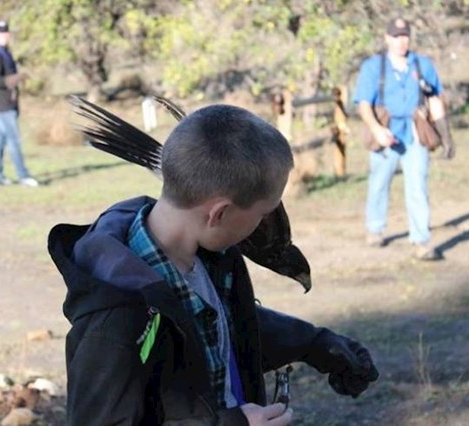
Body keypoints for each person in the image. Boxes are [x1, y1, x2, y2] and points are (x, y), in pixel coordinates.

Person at [48, 104, 379, 425]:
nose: (263, 226)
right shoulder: (115, 320)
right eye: (263, 215)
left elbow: (215, 328)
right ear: (219, 213)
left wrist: (313, 343)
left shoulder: (205, 258)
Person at [353, 17, 456, 260]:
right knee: (379, 183)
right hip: (386, 133)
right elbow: (363, 104)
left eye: (405, 36)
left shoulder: (422, 65)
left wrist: (446, 136)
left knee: (418, 186)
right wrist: (377, 129)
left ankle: (421, 241)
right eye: (396, 36)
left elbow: (434, 99)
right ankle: (375, 228)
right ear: (387, 38)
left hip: (414, 133)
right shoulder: (373, 66)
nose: (401, 41)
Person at [0, 20, 38, 187]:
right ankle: (23, 175)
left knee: (0, 141)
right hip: (2, 104)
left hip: (10, 102)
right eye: (1, 33)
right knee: (14, 140)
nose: (4, 36)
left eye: (6, 32)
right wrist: (14, 79)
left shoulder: (6, 52)